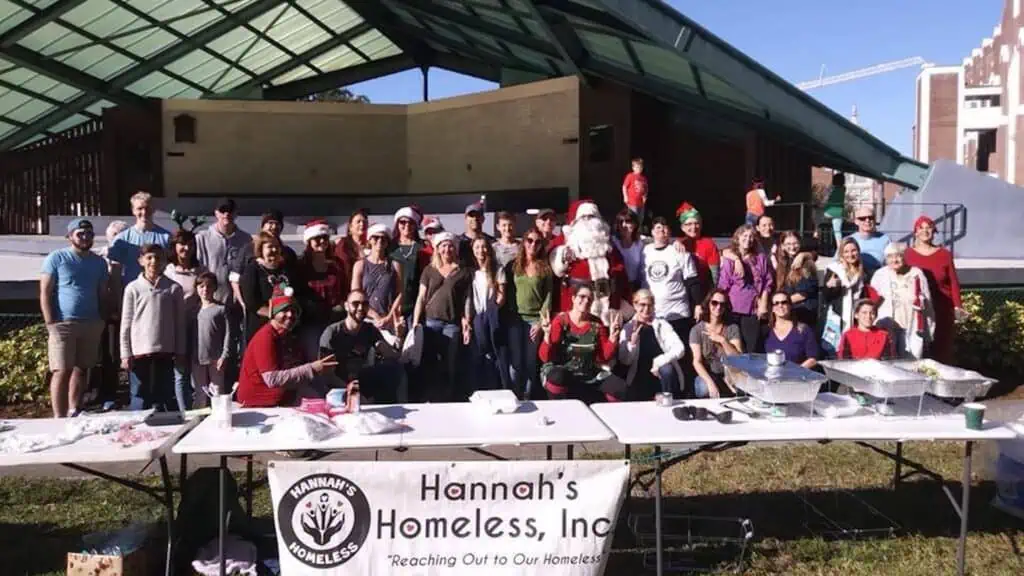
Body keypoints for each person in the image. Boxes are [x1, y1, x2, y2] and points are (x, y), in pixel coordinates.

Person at [40, 218, 109, 417]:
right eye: (80, 233)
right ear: (70, 236)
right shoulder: (56, 258)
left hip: (91, 323)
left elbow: (103, 292)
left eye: (89, 233)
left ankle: (74, 410)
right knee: (61, 370)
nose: (85, 237)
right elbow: (45, 291)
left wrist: (102, 319)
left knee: (82, 369)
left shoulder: (99, 263)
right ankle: (58, 417)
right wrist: (50, 321)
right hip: (63, 324)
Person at [237, 284, 337, 407]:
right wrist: (313, 368)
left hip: (285, 396)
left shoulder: (288, 336)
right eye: (284, 310)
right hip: (260, 403)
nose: (290, 315)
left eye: (294, 311)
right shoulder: (266, 337)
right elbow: (272, 379)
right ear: (274, 313)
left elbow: (297, 368)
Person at [120, 244, 186, 411]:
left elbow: (179, 323)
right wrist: (125, 353)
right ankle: (138, 431)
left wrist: (180, 350)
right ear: (141, 261)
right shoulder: (133, 288)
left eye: (158, 257)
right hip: (140, 352)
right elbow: (126, 324)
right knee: (139, 395)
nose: (153, 261)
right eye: (149, 257)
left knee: (164, 394)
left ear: (164, 261)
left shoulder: (174, 288)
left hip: (165, 351)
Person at [412, 231, 473, 401]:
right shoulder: (429, 270)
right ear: (437, 249)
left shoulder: (464, 272)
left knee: (451, 363)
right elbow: (421, 297)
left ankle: (450, 397)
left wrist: (467, 320)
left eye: (450, 245)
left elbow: (467, 300)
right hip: (431, 322)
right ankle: (431, 396)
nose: (447, 249)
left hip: (451, 323)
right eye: (443, 246)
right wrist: (416, 323)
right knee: (430, 361)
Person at [549, 199, 631, 324]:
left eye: (591, 217)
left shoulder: (607, 244)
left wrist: (614, 279)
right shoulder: (567, 242)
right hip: (575, 303)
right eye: (584, 217)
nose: (588, 221)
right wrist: (562, 258)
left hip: (606, 304)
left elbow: (620, 271)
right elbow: (555, 271)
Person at [538, 284, 624, 403]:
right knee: (557, 376)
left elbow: (604, 357)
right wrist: (547, 335)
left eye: (590, 299)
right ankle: (559, 411)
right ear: (573, 299)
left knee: (619, 388)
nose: (586, 301)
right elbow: (546, 357)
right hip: (563, 372)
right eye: (582, 296)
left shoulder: (596, 324)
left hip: (588, 373)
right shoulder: (561, 321)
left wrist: (613, 338)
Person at [319, 290, 405, 403]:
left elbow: (392, 355)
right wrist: (353, 393)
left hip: (360, 380)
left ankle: (391, 412)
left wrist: (399, 336)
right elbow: (326, 374)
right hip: (337, 385)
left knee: (392, 368)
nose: (360, 308)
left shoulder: (369, 330)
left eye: (364, 304)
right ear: (346, 306)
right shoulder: (332, 333)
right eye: (355, 304)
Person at [502, 227, 554, 400]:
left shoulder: (545, 268)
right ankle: (515, 395)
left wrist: (541, 321)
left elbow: (548, 296)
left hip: (534, 320)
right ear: (523, 242)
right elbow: (507, 292)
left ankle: (529, 396)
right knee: (516, 362)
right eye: (529, 240)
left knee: (531, 362)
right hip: (516, 319)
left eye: (537, 242)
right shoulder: (513, 265)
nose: (533, 244)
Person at [904, 215, 963, 363]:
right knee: (917, 347)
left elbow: (953, 282)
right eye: (921, 228)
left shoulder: (944, 254)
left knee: (942, 348)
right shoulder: (907, 254)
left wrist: (957, 306)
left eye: (928, 227)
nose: (925, 231)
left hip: (942, 307)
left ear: (934, 231)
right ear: (915, 232)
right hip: (918, 309)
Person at [163, 229, 206, 412]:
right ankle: (184, 412)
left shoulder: (201, 270)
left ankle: (199, 409)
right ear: (174, 246)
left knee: (198, 371)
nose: (186, 248)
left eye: (190, 244)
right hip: (175, 326)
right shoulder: (167, 271)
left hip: (197, 326)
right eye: (182, 244)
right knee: (180, 372)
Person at [616, 289, 685, 400]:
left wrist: (659, 361)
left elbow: (680, 348)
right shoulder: (628, 327)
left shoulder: (662, 325)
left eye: (650, 305)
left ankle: (668, 400)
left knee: (667, 369)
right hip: (638, 376)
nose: (646, 309)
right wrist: (632, 343)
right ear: (635, 304)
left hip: (660, 375)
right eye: (642, 305)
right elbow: (625, 360)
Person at [870, 243, 934, 359]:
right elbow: (871, 303)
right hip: (886, 326)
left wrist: (929, 329)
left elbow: (928, 304)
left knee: (912, 360)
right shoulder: (880, 275)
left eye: (898, 256)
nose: (894, 260)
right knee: (888, 360)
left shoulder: (916, 274)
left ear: (905, 257)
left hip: (911, 324)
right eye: (890, 257)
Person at [643, 217, 702, 341]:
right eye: (658, 227)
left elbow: (693, 280)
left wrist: (698, 304)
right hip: (652, 314)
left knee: (679, 354)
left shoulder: (679, 251)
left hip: (677, 313)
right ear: (652, 232)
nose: (662, 230)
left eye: (665, 228)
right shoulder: (644, 251)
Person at [717, 224, 773, 354]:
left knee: (751, 347)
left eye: (751, 236)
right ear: (738, 237)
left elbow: (767, 282)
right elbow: (723, 285)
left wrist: (763, 303)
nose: (748, 239)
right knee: (734, 347)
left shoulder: (760, 258)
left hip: (753, 310)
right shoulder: (729, 260)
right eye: (745, 235)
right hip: (732, 309)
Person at [297, 219, 345, 362]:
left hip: (334, 320)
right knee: (315, 359)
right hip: (311, 322)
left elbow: (343, 289)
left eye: (324, 238)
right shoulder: (301, 265)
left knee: (335, 359)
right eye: (317, 238)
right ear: (309, 241)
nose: (321, 242)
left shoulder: (336, 265)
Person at [821, 238, 877, 356]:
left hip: (856, 317)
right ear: (841, 253)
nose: (850, 254)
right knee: (835, 352)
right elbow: (826, 297)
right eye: (846, 251)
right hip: (837, 317)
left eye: (853, 250)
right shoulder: (834, 270)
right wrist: (830, 286)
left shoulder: (863, 273)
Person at [240, 232, 299, 343]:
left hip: (287, 326)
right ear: (261, 249)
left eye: (277, 246)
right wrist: (273, 315)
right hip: (261, 326)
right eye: (270, 247)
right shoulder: (252, 269)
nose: (274, 250)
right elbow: (251, 301)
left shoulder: (286, 269)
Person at [468, 236, 510, 391]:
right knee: (480, 355)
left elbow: (501, 296)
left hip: (493, 317)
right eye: (477, 247)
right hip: (476, 318)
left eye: (484, 246)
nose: (481, 250)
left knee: (496, 355)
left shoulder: (497, 269)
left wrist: (493, 311)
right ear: (473, 250)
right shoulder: (471, 271)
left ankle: (499, 387)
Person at [97, 220, 129, 411]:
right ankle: (106, 395)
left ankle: (131, 395)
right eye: (113, 235)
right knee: (108, 355)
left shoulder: (133, 257)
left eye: (121, 235)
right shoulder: (101, 256)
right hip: (107, 313)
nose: (116, 238)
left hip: (129, 310)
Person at [196, 197, 251, 306]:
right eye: (222, 210)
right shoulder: (202, 238)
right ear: (216, 213)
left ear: (236, 214)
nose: (226, 214)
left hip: (236, 300)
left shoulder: (246, 239)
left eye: (230, 210)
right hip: (209, 299)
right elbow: (198, 269)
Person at [107, 191, 172, 282]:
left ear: (153, 209)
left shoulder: (166, 237)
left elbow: (171, 269)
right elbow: (115, 272)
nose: (144, 212)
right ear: (133, 210)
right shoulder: (122, 239)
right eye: (140, 208)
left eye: (147, 208)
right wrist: (118, 295)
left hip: (159, 291)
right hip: (131, 291)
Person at [689, 290, 742, 399]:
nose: (718, 307)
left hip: (730, 373)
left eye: (722, 304)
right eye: (714, 303)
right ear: (708, 304)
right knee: (704, 388)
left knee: (741, 388)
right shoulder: (697, 330)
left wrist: (723, 340)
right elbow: (697, 361)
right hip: (708, 375)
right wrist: (710, 383)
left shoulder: (732, 328)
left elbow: (738, 358)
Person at [352, 223, 402, 331]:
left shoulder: (395, 265)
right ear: (369, 240)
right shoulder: (360, 265)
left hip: (388, 319)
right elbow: (355, 294)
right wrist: (375, 316)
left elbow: (399, 293)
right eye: (376, 237)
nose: (379, 241)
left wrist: (388, 318)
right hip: (365, 318)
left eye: (383, 238)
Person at [193, 272, 232, 406]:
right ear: (197, 288)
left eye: (209, 286)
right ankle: (199, 420)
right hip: (197, 358)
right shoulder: (193, 310)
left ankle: (219, 419)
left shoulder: (221, 309)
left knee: (217, 392)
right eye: (201, 286)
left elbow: (228, 333)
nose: (205, 289)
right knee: (200, 393)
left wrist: (224, 355)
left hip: (216, 359)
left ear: (215, 288)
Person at [391, 207, 431, 324]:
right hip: (391, 304)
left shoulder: (423, 246)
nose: (406, 225)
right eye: (402, 222)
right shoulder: (389, 246)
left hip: (415, 304)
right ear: (397, 224)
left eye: (410, 222)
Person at [675, 202, 720, 297]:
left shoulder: (709, 244)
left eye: (696, 223)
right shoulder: (678, 244)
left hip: (703, 292)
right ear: (682, 227)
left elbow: (715, 275)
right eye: (689, 224)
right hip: (682, 293)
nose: (693, 227)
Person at [764, 292, 819, 369]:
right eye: (776, 303)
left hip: (797, 378)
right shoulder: (766, 331)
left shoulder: (803, 330)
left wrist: (795, 372)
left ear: (790, 306)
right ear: (772, 308)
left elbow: (813, 358)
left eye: (784, 302)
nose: (780, 306)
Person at [775, 231, 819, 328]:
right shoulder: (783, 263)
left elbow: (803, 294)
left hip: (804, 312)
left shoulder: (806, 264)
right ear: (782, 246)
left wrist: (780, 303)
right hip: (789, 311)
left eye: (795, 243)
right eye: (788, 244)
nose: (792, 247)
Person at [846, 204, 890, 277]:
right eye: (863, 218)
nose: (867, 220)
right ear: (856, 221)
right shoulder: (848, 241)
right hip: (855, 279)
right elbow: (836, 263)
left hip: (878, 279)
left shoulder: (885, 239)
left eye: (871, 217)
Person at [334, 208, 369, 293]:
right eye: (358, 222)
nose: (362, 224)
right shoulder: (343, 245)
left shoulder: (372, 245)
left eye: (364, 222)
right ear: (350, 228)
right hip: (347, 292)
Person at [612, 208, 644, 292]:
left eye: (628, 221)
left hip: (634, 287)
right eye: (621, 222)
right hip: (616, 287)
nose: (624, 225)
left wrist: (677, 243)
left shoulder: (641, 243)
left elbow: (662, 240)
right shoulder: (612, 242)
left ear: (635, 224)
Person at [458, 201, 495, 267]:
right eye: (471, 215)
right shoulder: (458, 242)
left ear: (483, 219)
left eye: (478, 215)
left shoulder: (491, 241)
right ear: (466, 218)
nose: (475, 218)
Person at [621, 157, 648, 226]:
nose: (639, 169)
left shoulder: (643, 178)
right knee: (633, 216)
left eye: (640, 167)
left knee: (641, 217)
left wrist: (645, 196)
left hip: (641, 202)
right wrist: (625, 196)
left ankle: (639, 230)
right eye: (637, 167)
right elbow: (624, 187)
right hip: (632, 201)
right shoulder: (630, 176)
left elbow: (645, 188)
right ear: (633, 168)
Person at [824, 172, 846, 251]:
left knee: (817, 215)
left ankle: (815, 232)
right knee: (837, 232)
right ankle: (840, 249)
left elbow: (826, 195)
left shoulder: (832, 189)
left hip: (829, 211)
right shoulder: (843, 188)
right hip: (839, 212)